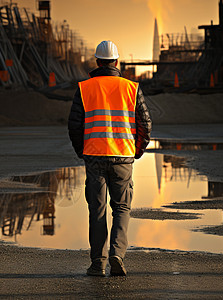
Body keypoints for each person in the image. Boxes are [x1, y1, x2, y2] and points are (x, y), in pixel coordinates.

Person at [68, 40, 152, 277]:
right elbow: (145, 124)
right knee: (122, 207)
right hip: (122, 156)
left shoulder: (85, 88)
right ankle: (117, 254)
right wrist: (137, 150)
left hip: (94, 155)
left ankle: (98, 263)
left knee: (97, 210)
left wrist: (81, 150)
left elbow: (74, 125)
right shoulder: (131, 88)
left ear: (97, 62)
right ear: (117, 62)